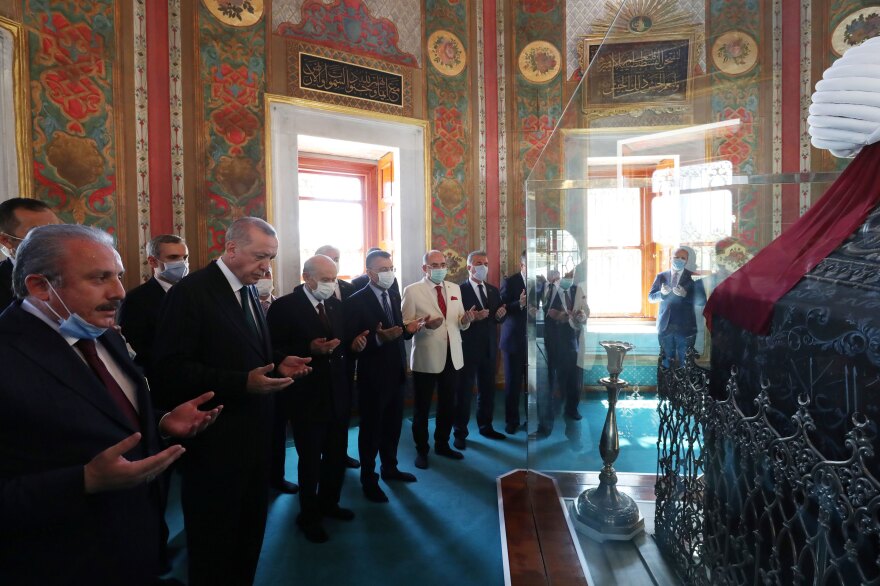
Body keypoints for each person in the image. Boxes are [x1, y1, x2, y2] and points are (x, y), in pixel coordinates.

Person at [0, 224, 221, 586]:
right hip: (61, 560)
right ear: (40, 286)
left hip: (136, 540)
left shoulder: (100, 332)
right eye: (99, 278)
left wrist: (161, 423)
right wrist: (83, 481)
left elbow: (109, 414)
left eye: (117, 276)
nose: (119, 292)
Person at [151, 217, 312, 586]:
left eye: (270, 258)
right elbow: (169, 369)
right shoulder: (192, 292)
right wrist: (242, 383)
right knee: (214, 543)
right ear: (232, 248)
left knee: (248, 534)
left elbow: (246, 352)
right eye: (260, 257)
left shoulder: (249, 290)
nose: (266, 267)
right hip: (215, 441)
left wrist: (276, 364)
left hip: (254, 437)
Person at [267, 255, 357, 543]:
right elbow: (271, 350)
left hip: (338, 393)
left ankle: (330, 503)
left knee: (335, 454)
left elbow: (342, 344)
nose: (332, 284)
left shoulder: (336, 305)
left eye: (335, 278)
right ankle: (308, 515)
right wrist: (308, 349)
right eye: (327, 279)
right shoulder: (285, 307)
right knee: (310, 461)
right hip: (305, 395)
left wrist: (355, 345)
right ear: (308, 278)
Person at [345, 249, 421, 503]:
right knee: (371, 430)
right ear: (370, 272)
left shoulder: (394, 293)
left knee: (393, 425)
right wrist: (378, 338)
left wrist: (408, 330)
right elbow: (352, 344)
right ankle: (369, 478)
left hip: (397, 371)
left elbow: (397, 332)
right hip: (373, 376)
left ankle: (390, 467)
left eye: (391, 268)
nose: (389, 273)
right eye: (383, 270)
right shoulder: (356, 300)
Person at [402, 250, 476, 469]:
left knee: (448, 404)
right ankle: (421, 450)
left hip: (452, 355)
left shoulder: (454, 289)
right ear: (425, 268)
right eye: (434, 265)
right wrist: (424, 326)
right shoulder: (412, 291)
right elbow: (406, 325)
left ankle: (442, 443)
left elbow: (458, 321)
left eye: (443, 264)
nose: (440, 268)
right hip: (426, 356)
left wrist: (467, 320)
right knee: (422, 407)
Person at [453, 250, 507, 449]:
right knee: (464, 392)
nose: (483, 266)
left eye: (485, 262)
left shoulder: (493, 290)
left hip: (489, 348)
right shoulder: (459, 291)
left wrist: (501, 315)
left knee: (487, 390)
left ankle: (486, 426)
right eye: (478, 263)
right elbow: (455, 320)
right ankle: (460, 432)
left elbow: (499, 315)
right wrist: (472, 318)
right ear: (469, 267)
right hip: (467, 348)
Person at [314, 244, 360, 469]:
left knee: (344, 409)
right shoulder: (301, 292)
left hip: (347, 358)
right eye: (328, 258)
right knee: (322, 414)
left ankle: (341, 452)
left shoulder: (349, 289)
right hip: (318, 365)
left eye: (337, 258)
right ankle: (322, 454)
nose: (334, 261)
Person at [118, 234, 189, 371]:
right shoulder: (136, 300)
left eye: (185, 257)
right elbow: (136, 351)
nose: (182, 263)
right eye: (173, 257)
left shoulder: (197, 293)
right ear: (152, 261)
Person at [540, 269, 588, 435]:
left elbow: (586, 310)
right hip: (553, 338)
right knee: (553, 374)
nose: (568, 278)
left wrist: (582, 316)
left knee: (573, 374)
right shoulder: (549, 290)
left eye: (570, 275)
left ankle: (572, 408)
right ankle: (551, 410)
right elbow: (541, 311)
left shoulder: (577, 290)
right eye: (564, 276)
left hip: (572, 337)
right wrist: (557, 315)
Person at [0, 198, 61, 310]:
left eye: (56, 230)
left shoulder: (74, 272)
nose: (52, 239)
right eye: (37, 233)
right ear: (6, 240)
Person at [648, 247, 700, 368]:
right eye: (676, 257)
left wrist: (685, 295)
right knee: (666, 363)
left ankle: (683, 388)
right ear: (671, 258)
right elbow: (651, 298)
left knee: (685, 363)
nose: (679, 260)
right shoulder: (661, 276)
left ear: (687, 261)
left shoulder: (692, 277)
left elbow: (701, 301)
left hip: (686, 326)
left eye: (683, 258)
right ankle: (665, 387)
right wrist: (662, 294)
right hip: (666, 326)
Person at [499, 251, 530, 434]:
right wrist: (518, 303)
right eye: (529, 265)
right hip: (513, 341)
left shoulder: (541, 281)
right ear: (522, 265)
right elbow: (502, 307)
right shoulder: (510, 281)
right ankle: (512, 421)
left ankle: (532, 420)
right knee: (512, 384)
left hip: (533, 342)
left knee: (532, 385)